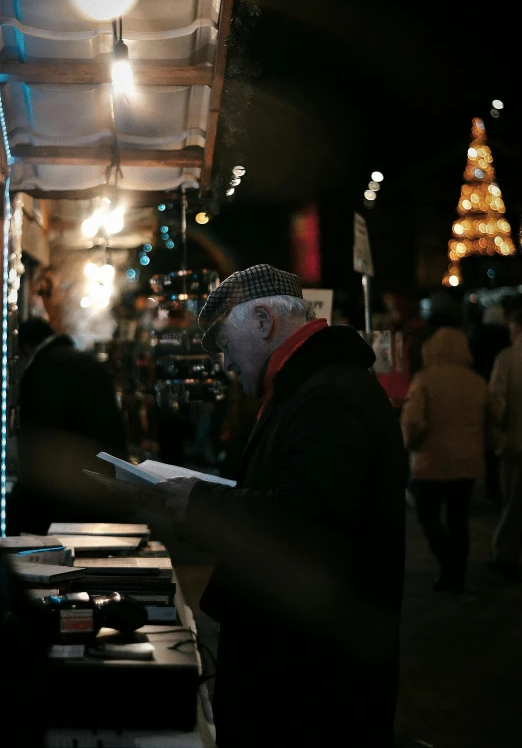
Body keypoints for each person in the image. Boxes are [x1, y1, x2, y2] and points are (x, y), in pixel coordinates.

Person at [115, 264, 407, 747]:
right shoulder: (312, 386)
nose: (226, 363)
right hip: (304, 658)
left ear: (264, 322)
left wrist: (200, 502)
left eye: (227, 345)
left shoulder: (327, 394)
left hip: (313, 679)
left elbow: (302, 522)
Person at [7, 317, 130, 535]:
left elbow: (42, 437)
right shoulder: (84, 362)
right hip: (104, 479)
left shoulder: (43, 368)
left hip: (69, 487)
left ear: (26, 347)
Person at [401, 327, 498, 595]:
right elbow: (494, 416)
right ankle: (457, 571)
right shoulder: (476, 381)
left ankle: (448, 564)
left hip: (430, 463)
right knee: (459, 519)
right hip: (468, 463)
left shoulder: (424, 379)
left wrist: (411, 446)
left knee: (428, 517)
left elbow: (413, 421)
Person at [487, 303, 522, 580]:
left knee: (512, 502)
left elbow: (497, 404)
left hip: (515, 442)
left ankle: (505, 555)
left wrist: (494, 432)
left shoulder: (508, 359)